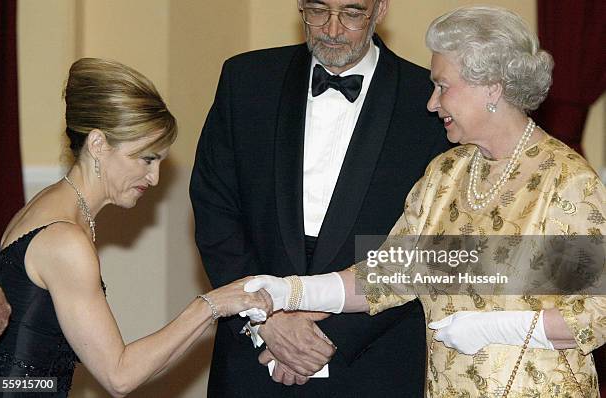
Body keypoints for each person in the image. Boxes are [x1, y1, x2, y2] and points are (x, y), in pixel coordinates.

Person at [246, 5, 606, 397]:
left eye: (443, 86)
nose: (432, 103)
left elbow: (596, 316)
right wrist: (294, 291)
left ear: (492, 87)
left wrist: (495, 327)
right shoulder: (446, 173)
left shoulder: (566, 180)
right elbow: (390, 275)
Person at [190, 0, 450, 395]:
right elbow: (214, 208)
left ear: (380, 9)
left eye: (351, 12)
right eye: (317, 10)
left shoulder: (428, 101)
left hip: (373, 358)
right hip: (251, 351)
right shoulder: (246, 79)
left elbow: (432, 242)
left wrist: (327, 338)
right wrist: (266, 320)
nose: (331, 28)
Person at [0, 58, 272, 398]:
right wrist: (210, 305)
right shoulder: (65, 239)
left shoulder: (46, 205)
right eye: (146, 159)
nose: (154, 178)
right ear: (98, 144)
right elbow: (119, 375)